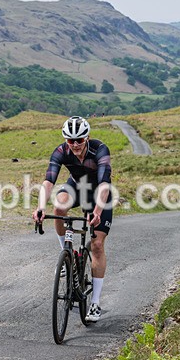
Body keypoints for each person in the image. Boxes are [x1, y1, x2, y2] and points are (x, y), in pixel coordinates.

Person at [32, 116, 112, 322]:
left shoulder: (100, 150)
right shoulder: (61, 152)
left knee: (97, 245)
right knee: (58, 206)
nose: (75, 144)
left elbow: (104, 184)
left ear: (87, 137)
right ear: (66, 140)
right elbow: (49, 181)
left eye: (79, 140)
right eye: (70, 140)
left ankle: (94, 303)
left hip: (99, 194)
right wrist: (40, 207)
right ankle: (65, 252)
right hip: (77, 186)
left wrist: (97, 211)